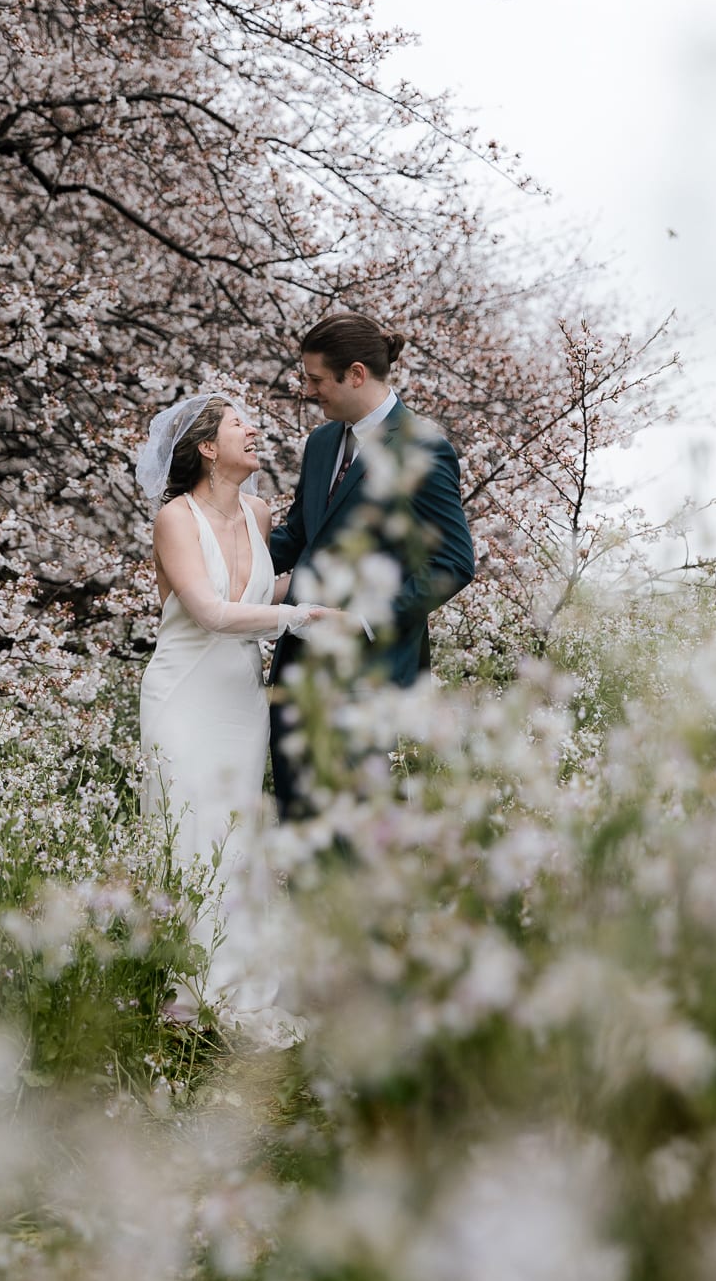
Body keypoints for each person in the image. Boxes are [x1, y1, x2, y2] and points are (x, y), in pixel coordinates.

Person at [135, 393, 328, 1033]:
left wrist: (325, 585)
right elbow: (212, 612)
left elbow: (258, 593)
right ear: (207, 448)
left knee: (236, 839)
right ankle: (192, 987)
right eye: (238, 423)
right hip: (185, 692)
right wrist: (301, 616)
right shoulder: (175, 518)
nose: (254, 429)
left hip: (242, 697)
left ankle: (242, 980)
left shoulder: (259, 511)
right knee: (192, 831)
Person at [269, 312, 476, 816]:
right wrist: (217, 560)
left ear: (356, 374)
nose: (308, 391)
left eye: (316, 379)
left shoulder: (424, 447)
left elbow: (454, 561)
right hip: (297, 667)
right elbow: (299, 534)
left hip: (371, 674)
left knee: (356, 830)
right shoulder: (321, 443)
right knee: (298, 824)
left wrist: (363, 621)